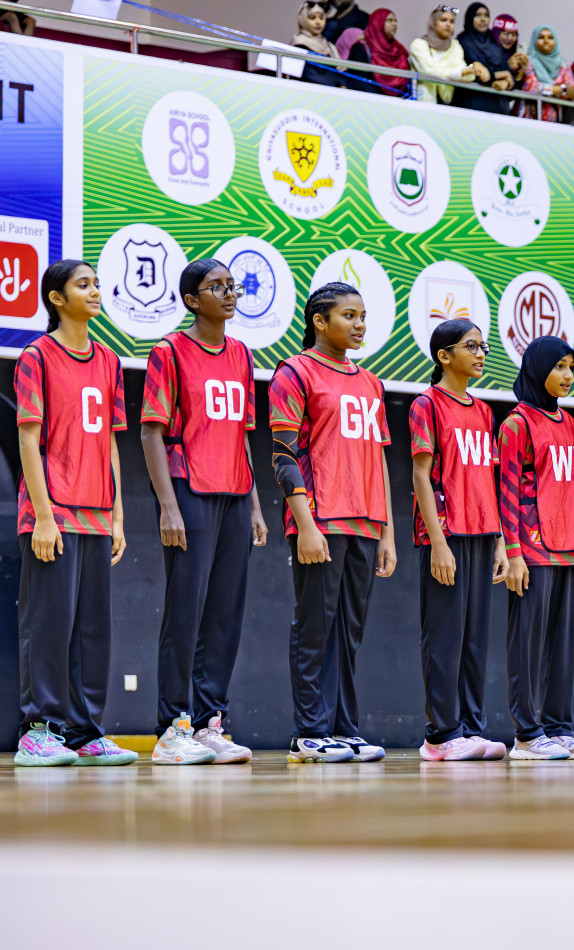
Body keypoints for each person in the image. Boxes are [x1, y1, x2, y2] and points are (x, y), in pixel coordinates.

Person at [141, 259, 266, 766]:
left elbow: (243, 435)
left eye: (232, 286)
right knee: (185, 612)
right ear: (192, 300)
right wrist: (167, 505)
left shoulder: (241, 354)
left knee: (223, 616)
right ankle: (173, 728)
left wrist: (254, 504)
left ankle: (210, 722)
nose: (229, 294)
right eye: (217, 287)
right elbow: (151, 431)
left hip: (235, 495)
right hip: (189, 491)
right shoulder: (170, 351)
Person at [12, 260, 136, 767]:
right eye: (83, 285)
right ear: (57, 298)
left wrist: (118, 516)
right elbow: (27, 438)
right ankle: (38, 731)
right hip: (53, 513)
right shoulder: (36, 357)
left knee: (91, 631)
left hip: (97, 513)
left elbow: (110, 442)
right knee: (48, 625)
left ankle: (86, 733)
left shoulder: (108, 360)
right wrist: (43, 516)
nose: (95, 291)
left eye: (97, 284)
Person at [270, 283, 395, 764]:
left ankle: (343, 727)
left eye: (362, 316)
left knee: (348, 633)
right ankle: (310, 732)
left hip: (366, 523)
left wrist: (386, 531)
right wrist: (305, 523)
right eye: (349, 315)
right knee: (314, 629)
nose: (359, 324)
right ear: (319, 321)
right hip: (320, 520)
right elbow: (282, 455)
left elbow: (378, 459)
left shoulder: (371, 383)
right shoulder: (295, 372)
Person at [410, 319, 509, 762]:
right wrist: (438, 542)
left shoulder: (485, 411)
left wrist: (500, 541)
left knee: (474, 640)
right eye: (471, 346)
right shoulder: (427, 404)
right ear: (444, 356)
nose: (481, 353)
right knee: (444, 639)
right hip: (447, 536)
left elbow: (488, 479)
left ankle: (470, 728)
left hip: (482, 534)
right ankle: (440, 735)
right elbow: (421, 475)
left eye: (482, 346)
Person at [498, 336, 574, 759]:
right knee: (527, 644)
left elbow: (571, 490)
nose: (568, 375)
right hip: (532, 550)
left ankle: (559, 728)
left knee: (563, 646)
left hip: (567, 547)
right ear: (538, 369)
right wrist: (513, 552)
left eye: (571, 367)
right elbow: (506, 492)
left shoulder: (569, 423)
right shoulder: (516, 423)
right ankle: (527, 734)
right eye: (559, 367)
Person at [410, 4, 481, 104]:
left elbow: (468, 76)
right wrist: (458, 73)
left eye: (452, 21)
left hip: (447, 102)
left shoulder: (455, 45)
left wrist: (467, 70)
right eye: (443, 20)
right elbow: (430, 71)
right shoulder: (418, 44)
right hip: (422, 102)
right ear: (434, 22)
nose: (448, 24)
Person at [453, 3, 515, 113]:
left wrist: (506, 83)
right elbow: (469, 73)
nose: (483, 19)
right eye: (478, 15)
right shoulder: (461, 42)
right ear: (470, 18)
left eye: (486, 15)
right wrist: (501, 75)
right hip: (471, 104)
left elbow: (509, 75)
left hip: (498, 107)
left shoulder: (494, 44)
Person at [343, 8, 411, 97]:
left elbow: (407, 81)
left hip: (398, 103)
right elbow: (358, 81)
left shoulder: (399, 51)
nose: (394, 24)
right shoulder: (361, 48)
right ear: (378, 23)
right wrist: (384, 99)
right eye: (389, 20)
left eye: (395, 21)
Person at [524, 24, 574, 122]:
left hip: (553, 124)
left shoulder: (562, 64)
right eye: (541, 37)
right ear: (534, 41)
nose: (546, 41)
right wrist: (561, 89)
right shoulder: (527, 61)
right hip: (526, 120)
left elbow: (572, 91)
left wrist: (550, 89)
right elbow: (531, 87)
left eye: (550, 38)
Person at [293, 3, 345, 90]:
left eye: (321, 18)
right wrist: (336, 84)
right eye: (312, 18)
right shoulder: (299, 44)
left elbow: (342, 73)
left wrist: (343, 84)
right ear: (303, 19)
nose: (318, 22)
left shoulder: (329, 46)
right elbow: (309, 75)